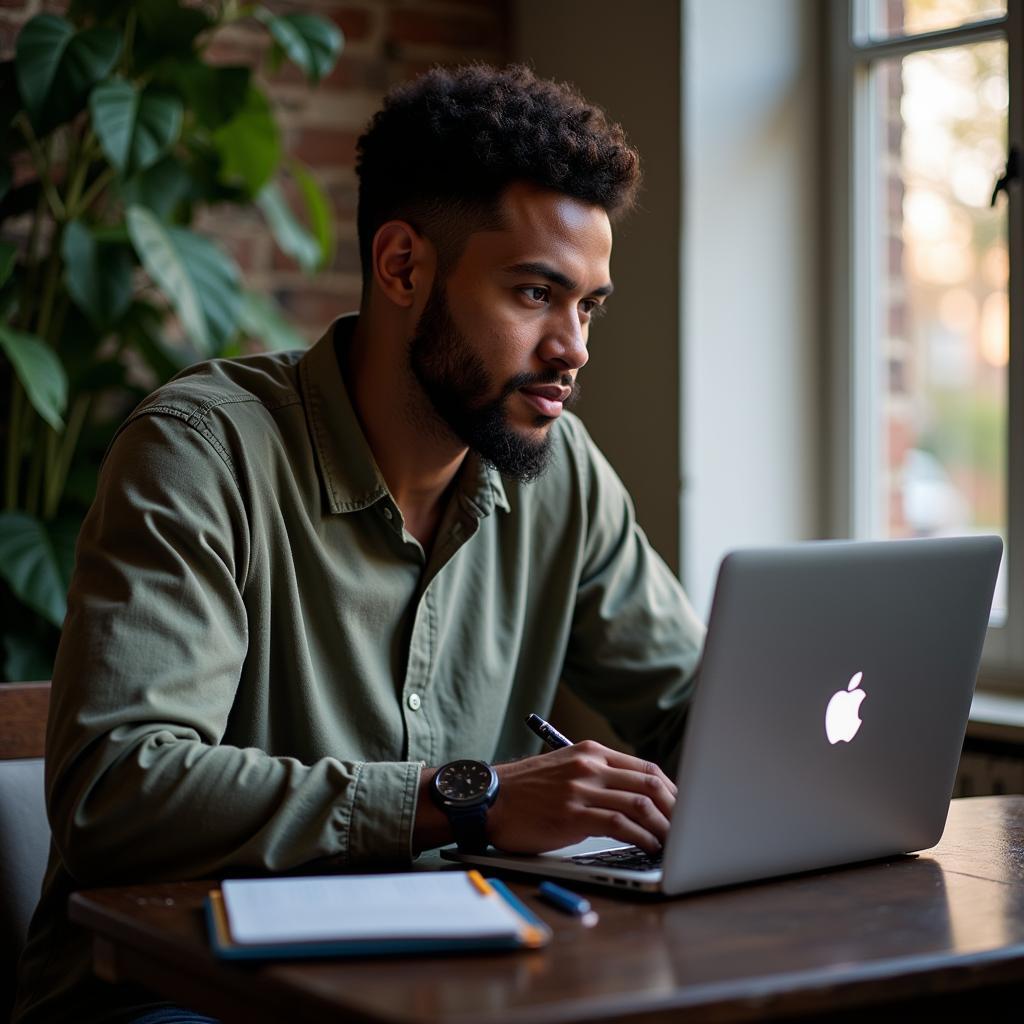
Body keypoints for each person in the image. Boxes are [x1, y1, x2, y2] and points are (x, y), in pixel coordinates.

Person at [13, 63, 704, 1024]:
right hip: (175, 999)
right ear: (402, 266)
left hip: (451, 984)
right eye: (536, 294)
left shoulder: (560, 472)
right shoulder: (202, 452)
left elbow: (689, 707)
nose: (573, 348)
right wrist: (475, 797)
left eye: (588, 305)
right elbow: (118, 794)